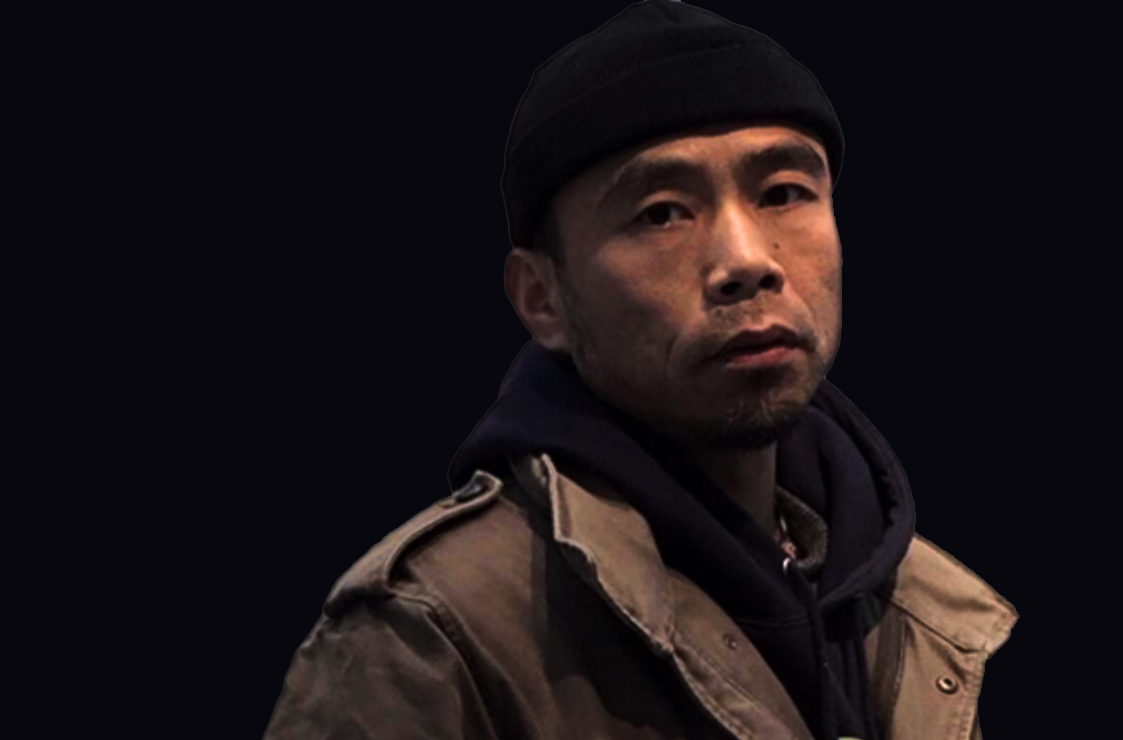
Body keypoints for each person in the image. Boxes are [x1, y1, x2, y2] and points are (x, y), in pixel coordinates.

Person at [264, 2, 1015, 737]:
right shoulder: (433, 638)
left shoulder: (915, 607)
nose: (746, 260)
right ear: (543, 298)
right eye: (661, 212)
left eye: (784, 193)